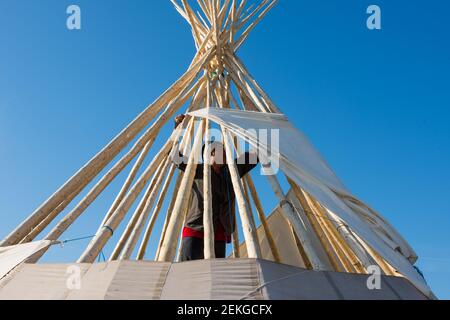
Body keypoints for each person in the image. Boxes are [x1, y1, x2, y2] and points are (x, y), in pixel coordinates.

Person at [172, 114, 259, 261]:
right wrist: (178, 127)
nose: (222, 153)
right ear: (209, 155)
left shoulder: (232, 171)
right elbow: (175, 156)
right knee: (187, 270)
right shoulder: (197, 170)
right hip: (196, 228)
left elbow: (255, 156)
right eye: (216, 151)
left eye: (223, 151)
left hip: (220, 230)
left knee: (215, 273)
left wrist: (253, 127)